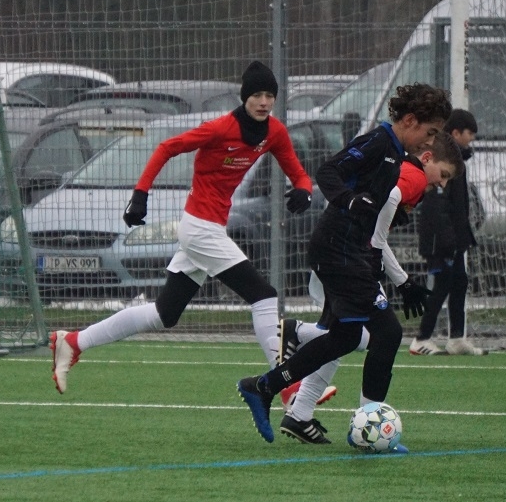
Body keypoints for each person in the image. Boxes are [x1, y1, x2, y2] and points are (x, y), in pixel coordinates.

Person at [50, 61, 313, 393]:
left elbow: (298, 173)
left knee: (165, 313)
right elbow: (166, 148)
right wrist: (140, 194)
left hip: (210, 229)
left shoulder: (274, 132)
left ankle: (74, 341)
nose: (264, 102)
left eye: (269, 96)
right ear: (244, 97)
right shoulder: (219, 128)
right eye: (257, 95)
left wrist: (304, 190)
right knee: (263, 296)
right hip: (200, 229)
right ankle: (286, 385)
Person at [236, 82, 451, 446]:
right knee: (387, 333)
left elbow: (377, 209)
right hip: (338, 250)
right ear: (410, 121)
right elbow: (328, 171)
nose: (429, 142)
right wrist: (350, 201)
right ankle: (366, 428)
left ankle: (265, 386)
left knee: (347, 336)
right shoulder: (379, 143)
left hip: (348, 251)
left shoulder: (395, 152)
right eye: (429, 133)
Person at [278, 132, 463, 444]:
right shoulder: (413, 177)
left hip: (340, 254)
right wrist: (400, 278)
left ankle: (299, 413)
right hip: (345, 259)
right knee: (377, 335)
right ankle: (301, 336)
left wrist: (398, 275)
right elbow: (379, 229)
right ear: (428, 156)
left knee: (342, 337)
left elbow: (376, 231)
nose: (443, 184)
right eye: (443, 174)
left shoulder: (405, 169)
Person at [412, 109, 487, 356]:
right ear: (456, 133)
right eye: (469, 133)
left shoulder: (457, 161)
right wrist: (447, 241)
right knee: (441, 285)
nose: (472, 139)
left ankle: (456, 338)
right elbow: (437, 205)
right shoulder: (442, 162)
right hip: (442, 241)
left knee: (459, 283)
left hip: (454, 238)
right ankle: (421, 338)